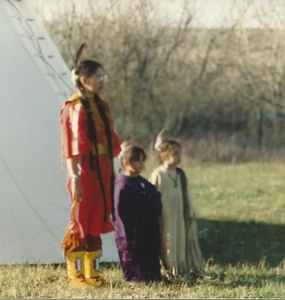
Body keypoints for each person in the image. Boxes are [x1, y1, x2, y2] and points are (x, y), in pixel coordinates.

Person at [60, 48, 121, 287]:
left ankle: (92, 273)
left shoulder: (101, 105)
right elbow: (72, 146)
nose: (102, 81)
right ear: (83, 80)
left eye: (103, 76)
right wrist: (74, 177)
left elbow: (109, 139)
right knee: (81, 218)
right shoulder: (74, 108)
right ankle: (76, 275)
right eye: (98, 77)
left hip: (102, 170)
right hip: (83, 171)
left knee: (98, 216)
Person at [149, 130, 206, 278]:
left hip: (179, 214)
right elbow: (150, 196)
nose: (179, 157)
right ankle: (168, 269)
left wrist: (190, 212)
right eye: (175, 154)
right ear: (164, 156)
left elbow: (187, 194)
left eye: (179, 154)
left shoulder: (180, 174)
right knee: (167, 239)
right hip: (164, 216)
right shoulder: (158, 174)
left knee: (179, 240)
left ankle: (180, 269)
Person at [114, 145, 162, 282]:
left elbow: (154, 195)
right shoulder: (123, 184)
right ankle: (134, 278)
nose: (141, 164)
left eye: (143, 160)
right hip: (132, 230)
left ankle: (152, 277)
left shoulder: (142, 182)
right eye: (137, 160)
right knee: (134, 256)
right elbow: (120, 210)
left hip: (145, 228)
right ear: (126, 162)